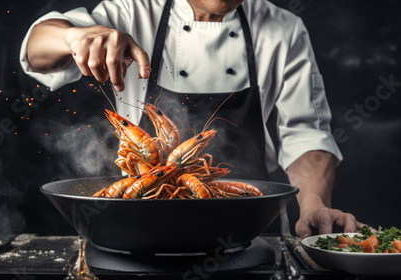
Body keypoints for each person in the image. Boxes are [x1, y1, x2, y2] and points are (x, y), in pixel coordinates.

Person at [20, 0, 363, 238]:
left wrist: (315, 203)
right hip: (137, 225)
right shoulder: (127, 11)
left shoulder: (284, 28)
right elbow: (36, 49)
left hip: (250, 233)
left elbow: (306, 135)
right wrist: (74, 36)